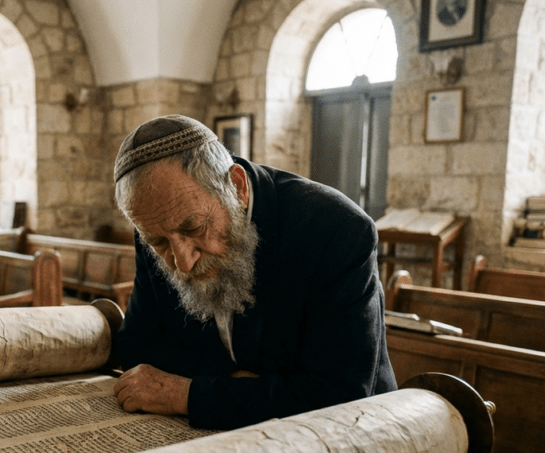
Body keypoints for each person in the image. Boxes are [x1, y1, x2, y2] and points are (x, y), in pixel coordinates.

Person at [111, 115, 396, 430]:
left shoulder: (335, 229)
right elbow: (136, 345)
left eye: (194, 227)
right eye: (160, 243)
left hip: (355, 440)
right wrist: (237, 382)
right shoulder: (158, 221)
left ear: (237, 187)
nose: (184, 262)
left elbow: (338, 397)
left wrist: (188, 393)